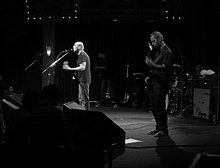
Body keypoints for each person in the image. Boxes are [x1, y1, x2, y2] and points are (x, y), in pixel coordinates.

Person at [145, 31, 174, 137]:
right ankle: (158, 127)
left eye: (153, 41)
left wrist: (152, 65)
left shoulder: (167, 52)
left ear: (160, 39)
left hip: (161, 83)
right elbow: (157, 66)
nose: (152, 44)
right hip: (154, 81)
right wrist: (150, 76)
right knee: (153, 106)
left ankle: (163, 129)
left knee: (160, 107)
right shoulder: (158, 51)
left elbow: (165, 67)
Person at [63, 42, 91, 111]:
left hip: (84, 79)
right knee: (81, 98)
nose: (73, 46)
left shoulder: (82, 55)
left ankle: (86, 115)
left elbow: (83, 67)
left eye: (75, 45)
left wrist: (70, 69)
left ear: (79, 47)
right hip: (82, 79)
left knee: (83, 99)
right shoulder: (82, 55)